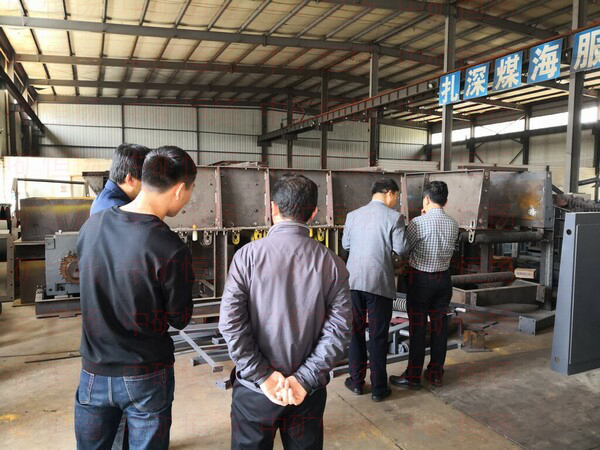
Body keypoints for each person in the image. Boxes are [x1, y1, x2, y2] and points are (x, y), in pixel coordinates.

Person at [74, 146, 197, 450]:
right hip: (146, 375)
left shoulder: (91, 227)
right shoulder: (171, 248)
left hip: (93, 372)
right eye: (191, 190)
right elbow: (179, 319)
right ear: (180, 189)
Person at [219, 173, 352, 450]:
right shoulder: (332, 263)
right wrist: (304, 379)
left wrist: (263, 376)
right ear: (314, 213)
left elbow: (231, 325)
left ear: (273, 208)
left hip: (255, 392)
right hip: (307, 393)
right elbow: (339, 331)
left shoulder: (246, 257)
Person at [88, 142, 150, 450]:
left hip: (106, 332)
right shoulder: (113, 211)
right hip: (118, 339)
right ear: (129, 178)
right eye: (146, 181)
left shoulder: (107, 201)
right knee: (121, 412)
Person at [342, 178, 407, 402]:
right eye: (397, 196)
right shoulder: (394, 217)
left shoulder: (353, 215)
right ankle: (379, 389)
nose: (396, 201)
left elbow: (346, 245)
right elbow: (401, 248)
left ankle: (356, 382)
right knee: (378, 336)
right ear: (389, 193)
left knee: (355, 332)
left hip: (353, 283)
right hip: (379, 283)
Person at [389, 180, 459, 390]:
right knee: (439, 328)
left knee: (418, 329)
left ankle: (412, 376)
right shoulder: (453, 224)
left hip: (421, 280)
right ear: (445, 201)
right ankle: (436, 373)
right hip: (443, 280)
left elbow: (404, 249)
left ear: (426, 199)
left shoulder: (418, 223)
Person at [90, 143, 150, 215]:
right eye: (149, 181)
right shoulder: (122, 212)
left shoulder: (103, 198)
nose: (151, 187)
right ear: (130, 179)